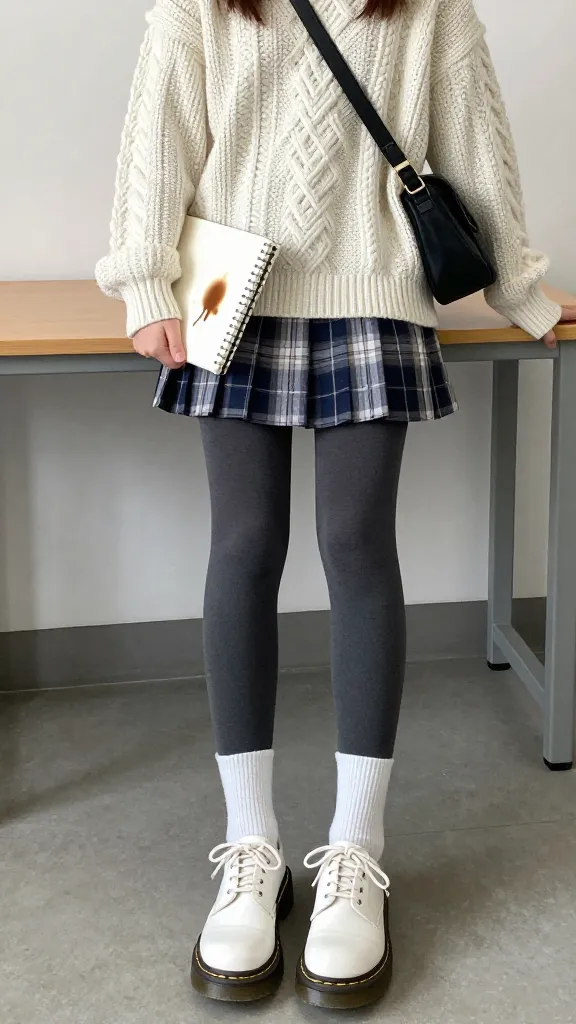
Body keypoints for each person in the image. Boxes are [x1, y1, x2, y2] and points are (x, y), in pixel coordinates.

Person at [96, 0, 574, 1008]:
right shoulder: (197, 4)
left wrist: (522, 292)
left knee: (356, 545)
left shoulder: (432, 8)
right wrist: (145, 283)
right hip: (231, 293)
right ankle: (251, 847)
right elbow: (161, 137)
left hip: (373, 297)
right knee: (243, 545)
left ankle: (358, 847)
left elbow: (476, 151)